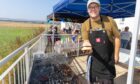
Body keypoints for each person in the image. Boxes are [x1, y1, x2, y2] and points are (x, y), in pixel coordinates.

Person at [81, 0, 121, 84]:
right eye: (90, 7)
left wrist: (116, 55)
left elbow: (117, 37)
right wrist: (86, 44)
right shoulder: (85, 24)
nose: (93, 9)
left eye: (95, 6)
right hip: (93, 63)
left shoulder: (109, 20)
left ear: (99, 8)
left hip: (108, 62)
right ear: (87, 10)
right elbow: (85, 40)